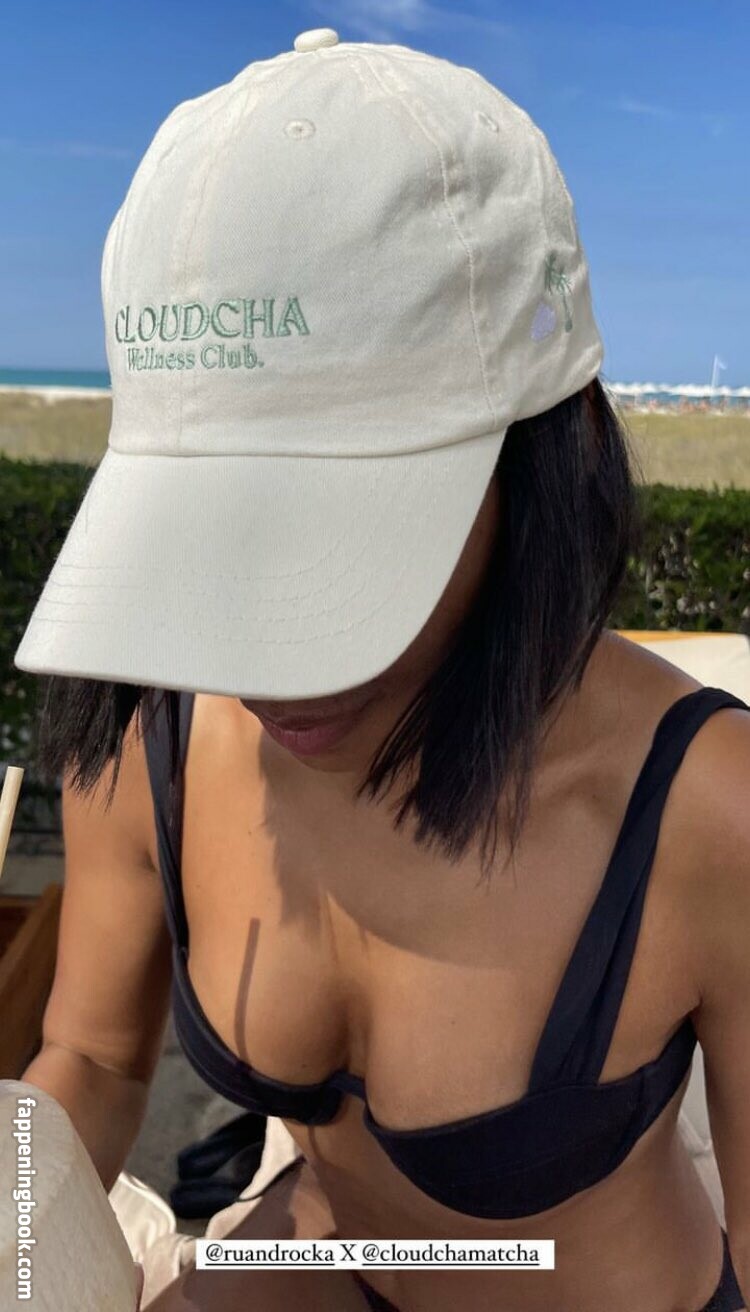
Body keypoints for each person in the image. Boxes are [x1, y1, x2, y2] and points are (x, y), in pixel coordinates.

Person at [13, 26, 750, 1312]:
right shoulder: (150, 739)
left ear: (556, 453)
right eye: (209, 529)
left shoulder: (706, 814)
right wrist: (18, 1230)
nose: (266, 663)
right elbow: (91, 1053)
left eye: (340, 538)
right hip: (316, 1263)